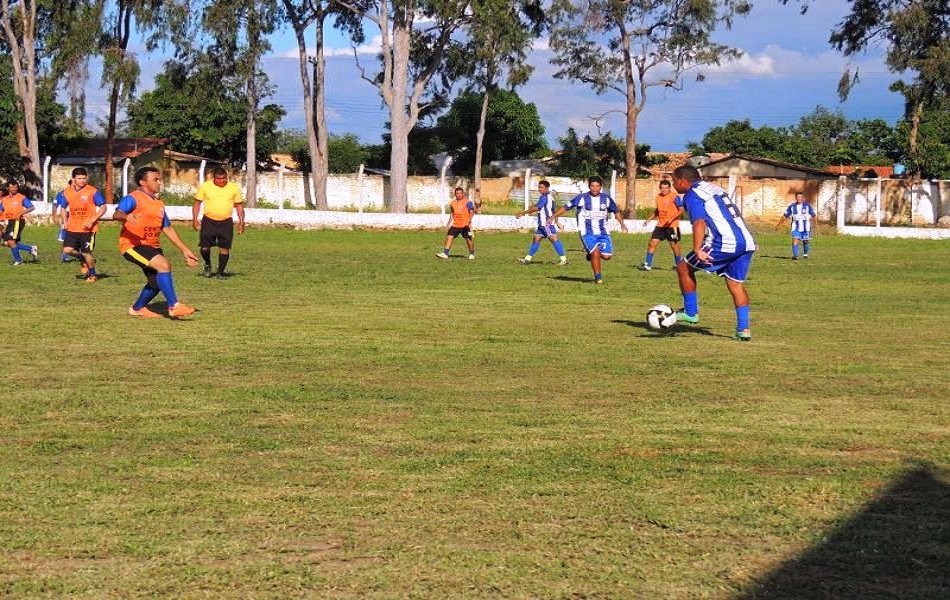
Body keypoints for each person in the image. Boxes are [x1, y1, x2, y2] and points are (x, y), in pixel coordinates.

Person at [671, 165, 756, 341]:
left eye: (674, 182)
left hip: (724, 242)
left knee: (683, 268)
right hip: (746, 241)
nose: (673, 186)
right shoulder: (713, 187)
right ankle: (743, 329)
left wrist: (697, 249)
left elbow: (699, 222)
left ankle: (690, 312)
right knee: (735, 285)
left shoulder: (692, 194)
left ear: (681, 181)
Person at [114, 166, 199, 319]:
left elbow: (167, 229)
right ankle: (174, 306)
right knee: (164, 265)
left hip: (152, 246)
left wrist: (185, 250)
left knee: (155, 283)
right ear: (142, 182)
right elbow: (117, 213)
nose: (159, 182)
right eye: (155, 179)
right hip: (133, 245)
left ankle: (137, 308)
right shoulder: (133, 198)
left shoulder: (159, 204)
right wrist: (125, 217)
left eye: (159, 179)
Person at [547, 176, 628, 284]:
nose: (595, 188)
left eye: (597, 186)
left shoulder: (607, 199)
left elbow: (616, 211)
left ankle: (590, 254)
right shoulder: (581, 198)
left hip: (603, 232)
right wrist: (553, 217)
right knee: (595, 252)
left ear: (601, 186)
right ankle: (598, 278)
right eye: (592, 186)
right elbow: (566, 207)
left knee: (607, 256)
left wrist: (622, 224)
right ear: (589, 186)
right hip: (586, 232)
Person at [55, 168, 107, 282]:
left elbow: (103, 207)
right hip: (72, 227)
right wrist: (65, 221)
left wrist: (93, 219)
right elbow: (63, 207)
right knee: (67, 250)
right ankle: (82, 259)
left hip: (88, 229)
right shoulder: (67, 192)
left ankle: (92, 275)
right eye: (79, 178)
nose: (82, 180)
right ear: (73, 179)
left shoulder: (92, 191)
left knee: (86, 252)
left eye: (84, 178)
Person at [192, 167, 245, 279]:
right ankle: (207, 264)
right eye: (218, 179)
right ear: (213, 178)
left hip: (226, 222)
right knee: (205, 247)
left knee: (224, 248)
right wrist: (194, 219)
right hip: (208, 221)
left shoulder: (233, 188)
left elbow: (239, 206)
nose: (221, 181)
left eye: (224, 178)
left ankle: (220, 273)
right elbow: (197, 204)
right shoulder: (206, 186)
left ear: (227, 177)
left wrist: (241, 222)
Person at [515, 180, 568, 265]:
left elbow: (536, 208)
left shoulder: (544, 197)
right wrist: (557, 222)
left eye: (542, 187)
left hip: (546, 224)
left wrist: (523, 213)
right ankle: (527, 259)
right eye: (539, 187)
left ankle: (564, 260)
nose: (540, 189)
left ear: (547, 188)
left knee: (554, 239)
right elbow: (554, 211)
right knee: (536, 239)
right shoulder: (550, 197)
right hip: (542, 225)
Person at [638, 179, 684, 271]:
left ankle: (679, 265)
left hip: (672, 226)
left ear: (669, 188)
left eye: (666, 188)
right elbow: (657, 211)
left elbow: (682, 209)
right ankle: (647, 265)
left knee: (674, 245)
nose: (664, 190)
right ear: (659, 188)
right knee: (652, 243)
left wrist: (672, 218)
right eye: (662, 188)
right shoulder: (658, 197)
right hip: (660, 225)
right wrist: (649, 219)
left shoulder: (675, 197)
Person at [0, 181, 39, 265]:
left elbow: (31, 207)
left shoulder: (21, 197)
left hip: (18, 221)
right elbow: (1, 210)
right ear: (8, 188)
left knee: (10, 241)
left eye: (15, 187)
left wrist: (21, 213)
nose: (14, 189)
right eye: (11, 187)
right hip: (10, 222)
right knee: (7, 242)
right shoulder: (4, 199)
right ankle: (31, 249)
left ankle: (18, 260)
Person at [436, 187, 480, 260]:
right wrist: (448, 223)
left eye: (460, 193)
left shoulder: (467, 202)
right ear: (455, 194)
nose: (459, 195)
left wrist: (468, 221)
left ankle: (472, 254)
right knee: (449, 236)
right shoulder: (453, 203)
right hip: (456, 224)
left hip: (465, 225)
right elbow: (452, 214)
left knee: (468, 239)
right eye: (457, 193)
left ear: (463, 194)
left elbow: (472, 212)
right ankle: (445, 254)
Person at [774, 191, 816, 259]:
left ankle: (805, 254)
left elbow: (813, 215)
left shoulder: (807, 206)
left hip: (806, 228)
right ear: (796, 198)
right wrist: (779, 225)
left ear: (802, 198)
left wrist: (815, 224)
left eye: (800, 197)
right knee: (795, 241)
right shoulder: (792, 206)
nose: (799, 198)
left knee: (805, 241)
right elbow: (785, 216)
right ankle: (795, 255)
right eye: (797, 197)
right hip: (795, 227)